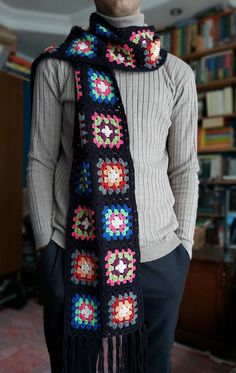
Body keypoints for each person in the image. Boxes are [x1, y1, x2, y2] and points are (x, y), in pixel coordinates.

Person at [27, 0, 200, 372]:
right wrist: (47, 248)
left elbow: (185, 169)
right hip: (74, 257)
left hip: (160, 259)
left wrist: (182, 248)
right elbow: (40, 162)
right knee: (74, 365)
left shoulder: (176, 73)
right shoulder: (58, 64)